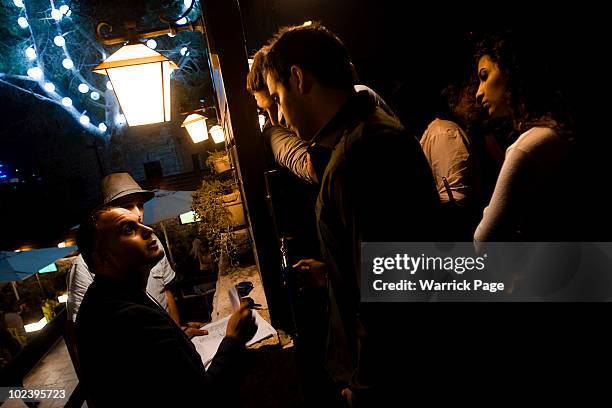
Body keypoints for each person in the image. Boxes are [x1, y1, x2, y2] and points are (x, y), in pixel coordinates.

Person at [263, 23, 440, 405]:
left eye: (277, 98)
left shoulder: (364, 152)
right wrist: (332, 272)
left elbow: (392, 294)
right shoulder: (359, 138)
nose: (278, 116)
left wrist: (366, 385)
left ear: (298, 78)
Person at [75, 205, 256, 406]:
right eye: (128, 229)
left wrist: (177, 337)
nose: (149, 230)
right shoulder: (128, 317)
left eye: (140, 222)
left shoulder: (109, 296)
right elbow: (204, 398)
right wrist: (234, 339)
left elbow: (149, 365)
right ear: (103, 259)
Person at [66, 172, 205, 337]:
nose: (138, 213)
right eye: (127, 206)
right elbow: (81, 329)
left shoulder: (151, 242)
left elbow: (165, 292)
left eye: (140, 205)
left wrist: (178, 334)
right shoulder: (86, 265)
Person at [473, 35, 578, 243]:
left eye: (484, 76)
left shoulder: (527, 148)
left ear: (510, 71)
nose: (478, 92)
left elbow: (484, 241)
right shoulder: (560, 133)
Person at [247, 45, 396, 184]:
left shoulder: (360, 96)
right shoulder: (274, 132)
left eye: (275, 101)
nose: (274, 120)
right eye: (264, 110)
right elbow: (311, 167)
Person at [419, 80, 484, 239]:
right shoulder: (446, 132)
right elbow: (454, 203)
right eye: (469, 98)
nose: (477, 104)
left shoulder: (446, 131)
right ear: (453, 102)